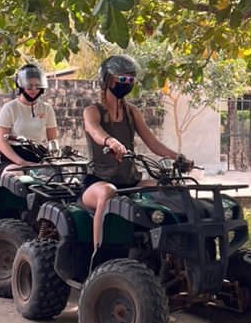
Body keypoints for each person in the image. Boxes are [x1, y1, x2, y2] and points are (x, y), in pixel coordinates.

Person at [81, 55, 191, 254]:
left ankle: (175, 252)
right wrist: (111, 141)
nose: (127, 84)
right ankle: (98, 254)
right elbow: (94, 130)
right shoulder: (92, 111)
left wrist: (178, 158)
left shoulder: (132, 112)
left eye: (131, 80)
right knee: (108, 193)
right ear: (107, 80)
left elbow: (153, 143)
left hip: (130, 181)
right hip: (97, 181)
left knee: (173, 189)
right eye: (122, 79)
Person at [0, 64, 59, 170]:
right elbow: (1, 141)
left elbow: (52, 139)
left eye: (37, 86)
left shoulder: (47, 109)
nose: (34, 89)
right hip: (13, 158)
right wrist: (21, 162)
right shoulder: (10, 108)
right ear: (21, 86)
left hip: (39, 156)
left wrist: (54, 156)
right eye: (29, 86)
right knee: (17, 178)